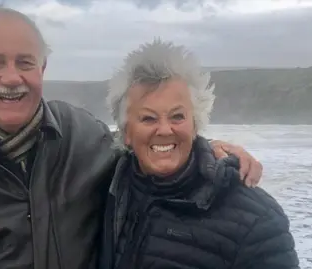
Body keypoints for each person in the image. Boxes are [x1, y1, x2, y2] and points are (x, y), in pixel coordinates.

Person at [0, 6, 263, 269]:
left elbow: (149, 146)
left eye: (25, 62)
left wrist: (206, 152)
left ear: (41, 68)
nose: (12, 78)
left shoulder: (83, 137)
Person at [100, 39, 300, 269]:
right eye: (148, 118)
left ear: (195, 124)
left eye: (177, 116)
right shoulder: (106, 186)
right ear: (126, 132)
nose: (165, 130)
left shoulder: (258, 219)